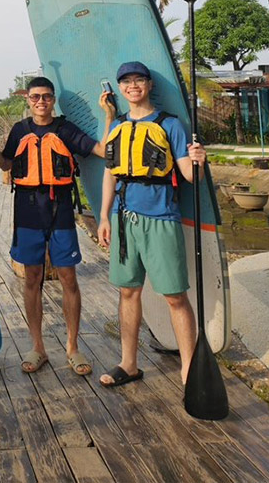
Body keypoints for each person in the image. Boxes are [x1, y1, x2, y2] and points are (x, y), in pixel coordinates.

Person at [0, 77, 115, 376]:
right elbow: (6, 164)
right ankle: (37, 346)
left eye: (46, 97)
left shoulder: (65, 129)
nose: (41, 102)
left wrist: (109, 116)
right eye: (35, 97)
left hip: (60, 210)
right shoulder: (20, 130)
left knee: (68, 277)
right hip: (27, 211)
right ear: (28, 100)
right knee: (32, 277)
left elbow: (103, 150)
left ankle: (73, 347)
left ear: (53, 100)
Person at [97, 61, 206, 388]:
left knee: (174, 296)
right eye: (126, 81)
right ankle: (128, 364)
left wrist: (199, 162)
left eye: (139, 80)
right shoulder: (117, 125)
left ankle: (189, 368)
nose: (133, 86)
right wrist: (103, 216)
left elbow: (190, 176)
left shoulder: (170, 124)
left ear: (149, 85)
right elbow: (110, 174)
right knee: (128, 291)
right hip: (122, 219)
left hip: (161, 220)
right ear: (120, 88)